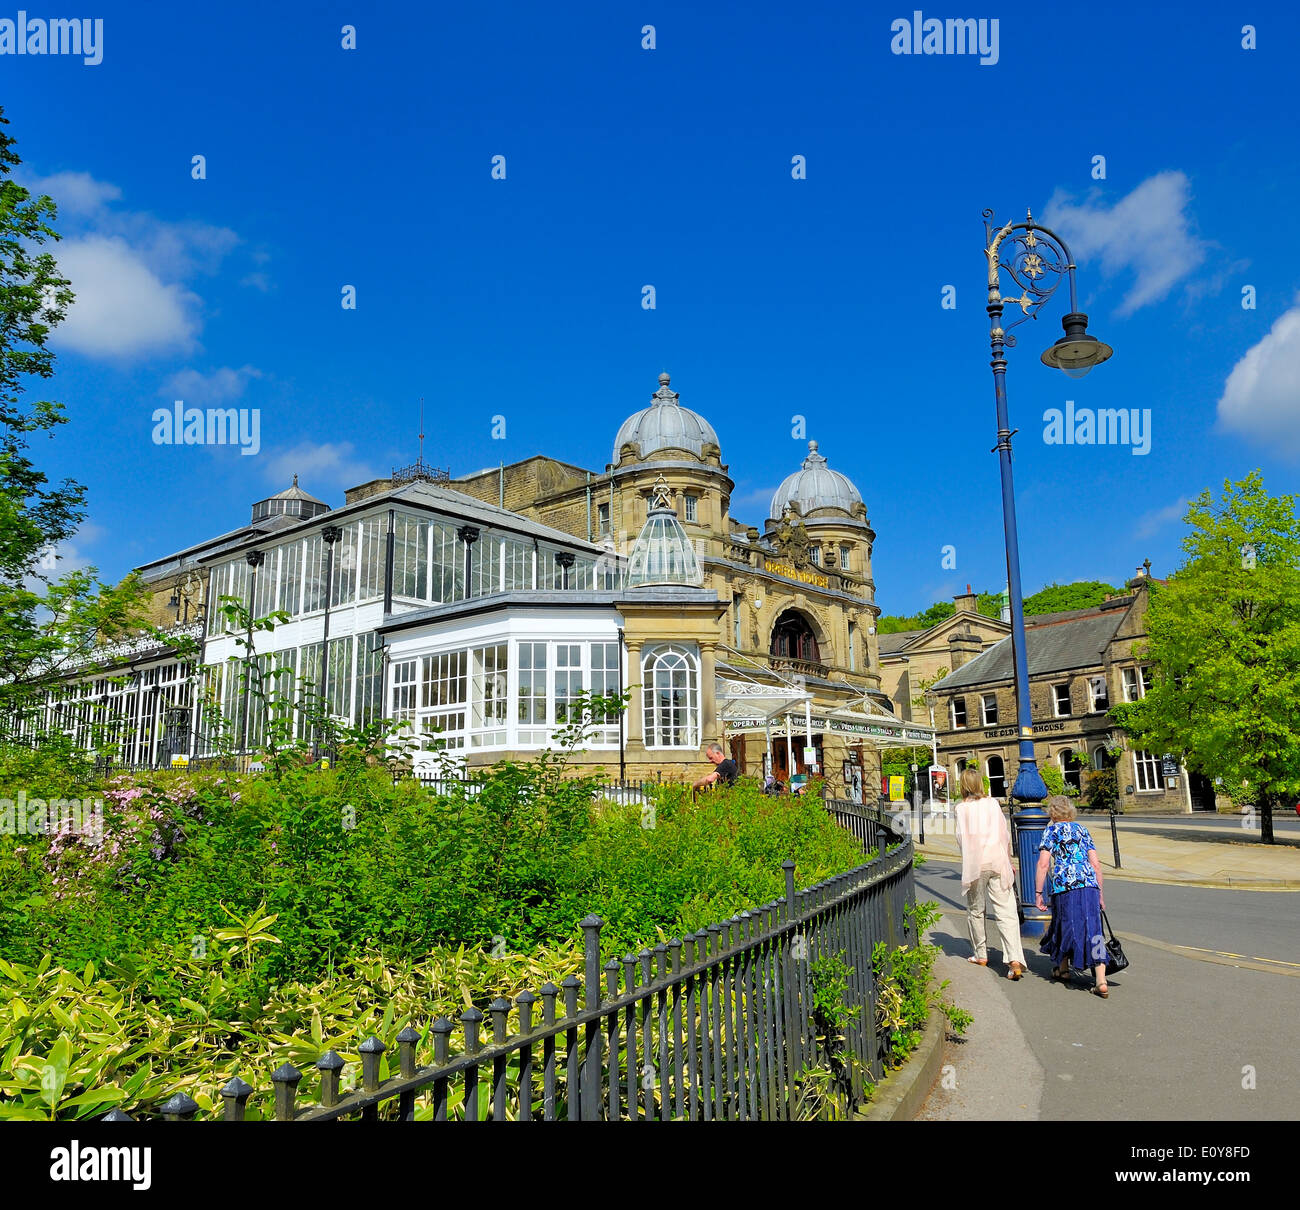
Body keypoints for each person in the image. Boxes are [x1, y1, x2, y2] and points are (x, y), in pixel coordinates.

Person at [954, 766, 1027, 980]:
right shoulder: (993, 803)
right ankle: (1014, 960)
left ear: (964, 786)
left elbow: (961, 838)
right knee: (1006, 912)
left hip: (976, 865)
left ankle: (981, 954)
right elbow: (1003, 833)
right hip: (997, 861)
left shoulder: (961, 809)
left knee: (976, 910)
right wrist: (1008, 858)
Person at [1035, 796, 1110, 998]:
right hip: (1089, 885)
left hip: (1064, 885)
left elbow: (1043, 864)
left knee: (1063, 924)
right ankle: (1101, 980)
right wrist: (1100, 893)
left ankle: (1064, 969)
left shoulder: (1051, 831)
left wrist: (1038, 893)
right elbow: (1096, 864)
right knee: (1094, 929)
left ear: (1052, 813)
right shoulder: (1082, 830)